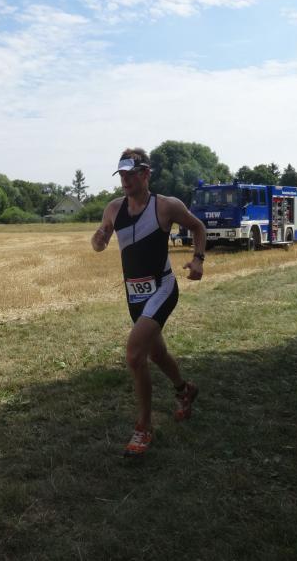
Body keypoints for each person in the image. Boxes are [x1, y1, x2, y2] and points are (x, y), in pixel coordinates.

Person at [91, 148, 207, 457]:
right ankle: (185, 390)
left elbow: (198, 227)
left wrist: (198, 259)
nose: (125, 180)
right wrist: (98, 239)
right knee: (157, 353)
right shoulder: (113, 209)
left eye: (130, 175)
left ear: (145, 174)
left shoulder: (166, 206)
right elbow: (100, 239)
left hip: (162, 289)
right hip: (134, 295)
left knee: (134, 355)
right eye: (121, 175)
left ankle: (143, 426)